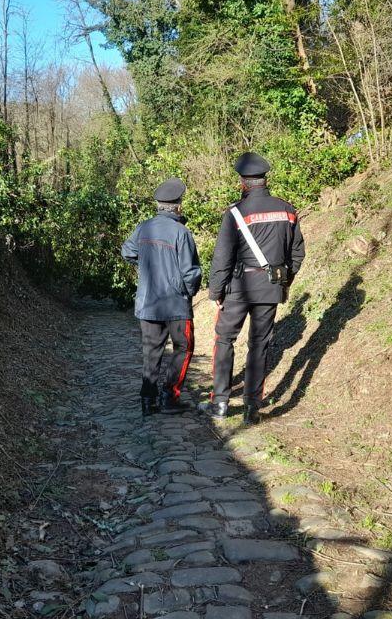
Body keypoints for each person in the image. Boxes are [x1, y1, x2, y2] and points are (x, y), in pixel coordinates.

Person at [207, 151, 306, 425]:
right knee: (259, 345)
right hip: (270, 288)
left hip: (239, 286)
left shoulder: (235, 212)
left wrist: (216, 291)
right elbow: (297, 253)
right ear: (264, 180)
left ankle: (221, 403)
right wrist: (284, 278)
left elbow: (222, 257)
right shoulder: (287, 210)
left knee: (224, 339)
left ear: (243, 182)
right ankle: (253, 408)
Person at [121, 178, 202, 416]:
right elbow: (191, 272)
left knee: (151, 352)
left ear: (158, 205)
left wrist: (145, 264)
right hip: (176, 304)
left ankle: (148, 401)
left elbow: (128, 251)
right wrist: (189, 292)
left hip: (148, 303)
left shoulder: (143, 227)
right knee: (184, 347)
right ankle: (170, 396)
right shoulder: (181, 232)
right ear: (178, 206)